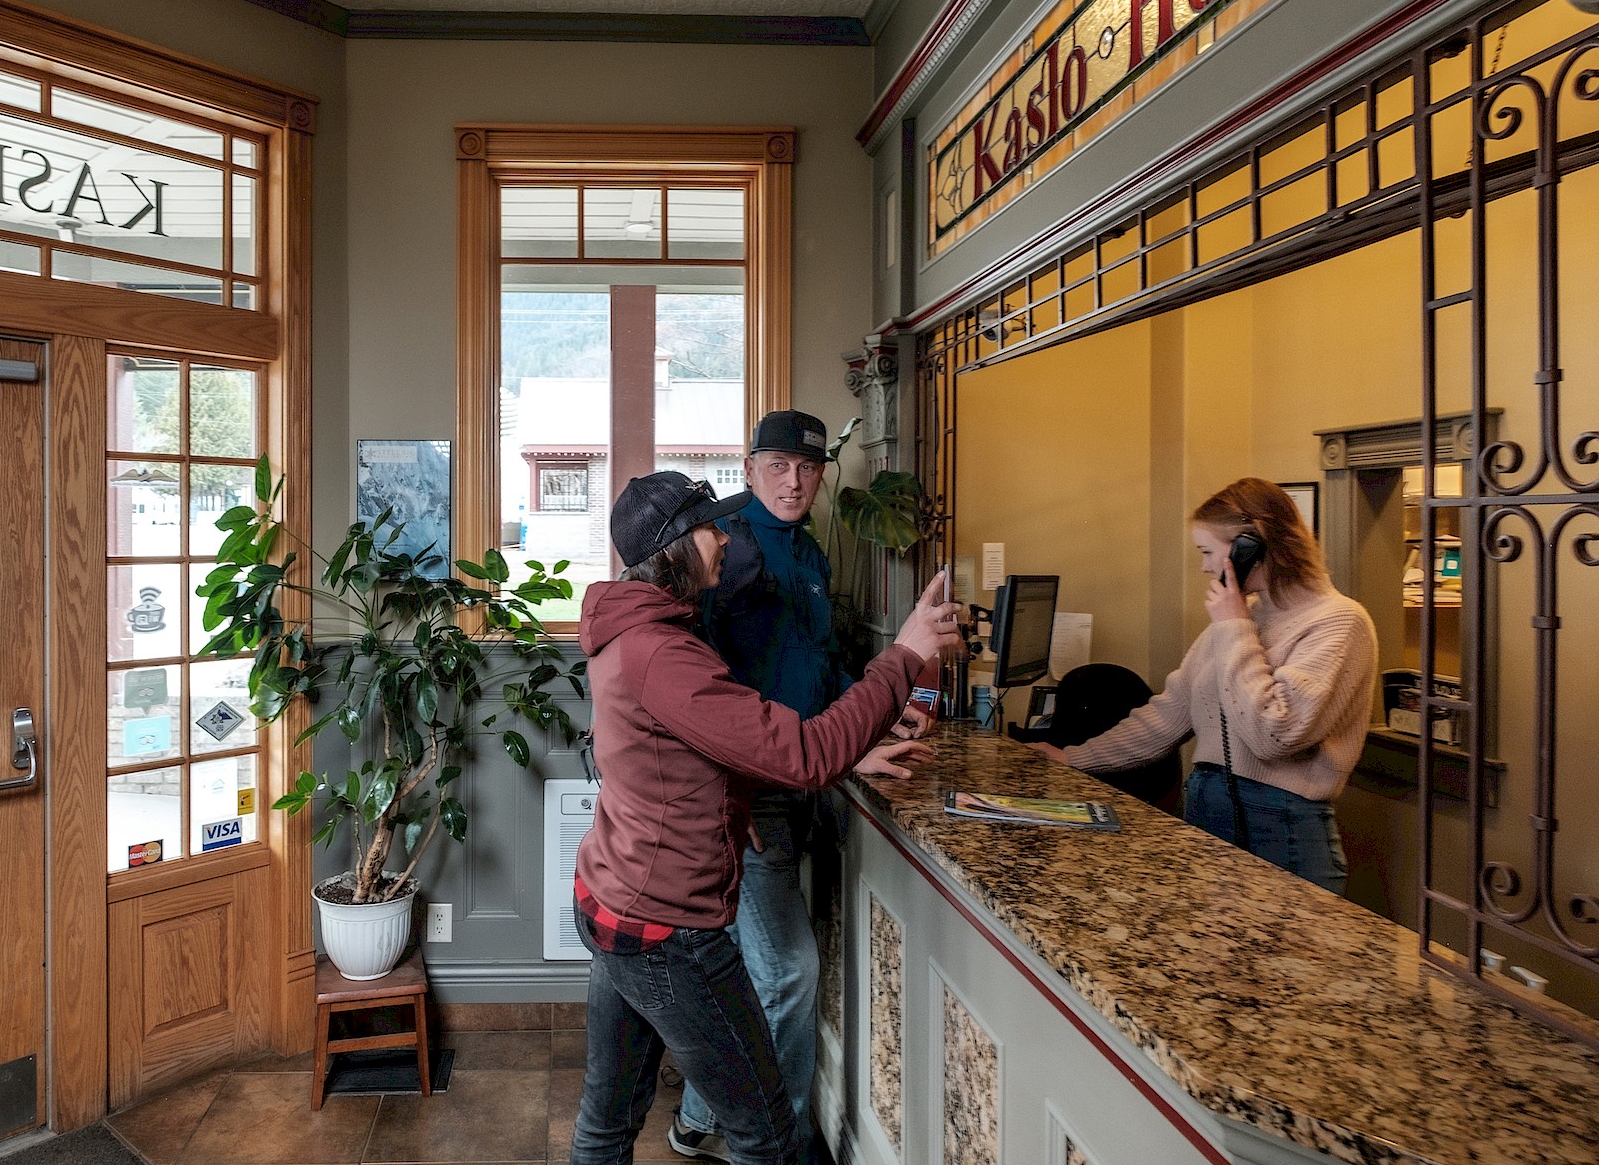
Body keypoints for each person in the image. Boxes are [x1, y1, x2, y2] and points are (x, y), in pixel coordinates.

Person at [571, 471, 962, 1165]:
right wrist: (904, 657)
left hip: (613, 903)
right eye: (710, 527)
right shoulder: (664, 653)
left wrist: (734, 800)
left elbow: (680, 752)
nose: (724, 538)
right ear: (673, 549)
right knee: (768, 1135)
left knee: (607, 1122)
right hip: (667, 931)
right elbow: (806, 754)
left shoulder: (631, 633)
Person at [671, 409, 924, 1161]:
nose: (794, 480)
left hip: (811, 772)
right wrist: (725, 788)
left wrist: (877, 720)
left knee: (762, 966)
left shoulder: (807, 551)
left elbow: (814, 664)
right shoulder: (729, 550)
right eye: (777, 466)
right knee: (787, 969)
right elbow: (703, 684)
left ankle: (696, 1118)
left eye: (808, 468)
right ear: (748, 470)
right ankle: (771, 1139)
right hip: (756, 792)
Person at [1031, 477, 1375, 892]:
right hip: (1208, 811)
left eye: (1209, 552)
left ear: (1253, 546)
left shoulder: (1338, 622)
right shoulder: (1243, 617)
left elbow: (1275, 734)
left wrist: (1233, 625)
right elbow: (1169, 714)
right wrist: (1074, 759)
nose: (1205, 567)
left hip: (1281, 830)